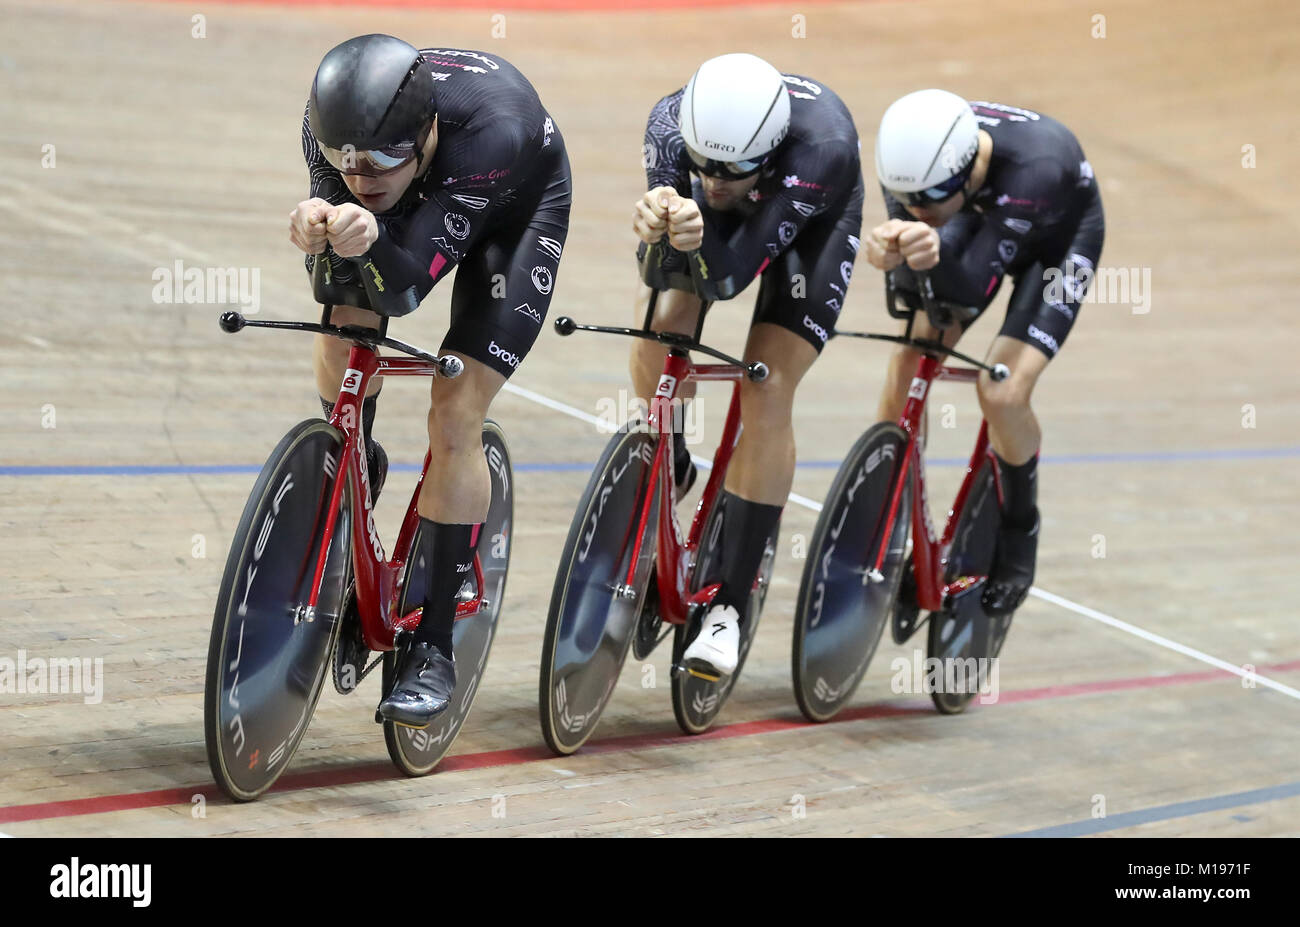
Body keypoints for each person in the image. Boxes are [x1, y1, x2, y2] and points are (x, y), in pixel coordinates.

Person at [288, 34, 571, 728]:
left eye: (384, 158)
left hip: (514, 210)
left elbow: (408, 284)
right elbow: (350, 250)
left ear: (429, 129)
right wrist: (318, 225)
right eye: (344, 162)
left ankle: (435, 647)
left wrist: (372, 237)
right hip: (429, 192)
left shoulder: (491, 131)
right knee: (342, 318)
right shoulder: (335, 137)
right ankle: (358, 455)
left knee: (454, 410)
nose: (361, 178)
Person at [632, 53, 864, 680]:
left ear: (768, 151)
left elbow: (732, 273)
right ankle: (672, 460)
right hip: (737, 216)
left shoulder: (822, 152)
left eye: (730, 170)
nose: (711, 182)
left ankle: (728, 607)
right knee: (664, 320)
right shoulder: (667, 125)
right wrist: (657, 224)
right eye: (700, 164)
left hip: (809, 222)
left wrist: (692, 231)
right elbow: (664, 261)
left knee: (769, 383)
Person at [866, 89, 1104, 617]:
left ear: (968, 168)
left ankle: (1020, 530)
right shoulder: (913, 162)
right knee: (910, 363)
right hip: (980, 215)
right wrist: (894, 249)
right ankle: (888, 513)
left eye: (927, 199)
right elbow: (914, 282)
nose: (916, 210)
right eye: (906, 199)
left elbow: (970, 286)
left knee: (1001, 389)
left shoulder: (1039, 165)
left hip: (1058, 244)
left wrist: (922, 251)